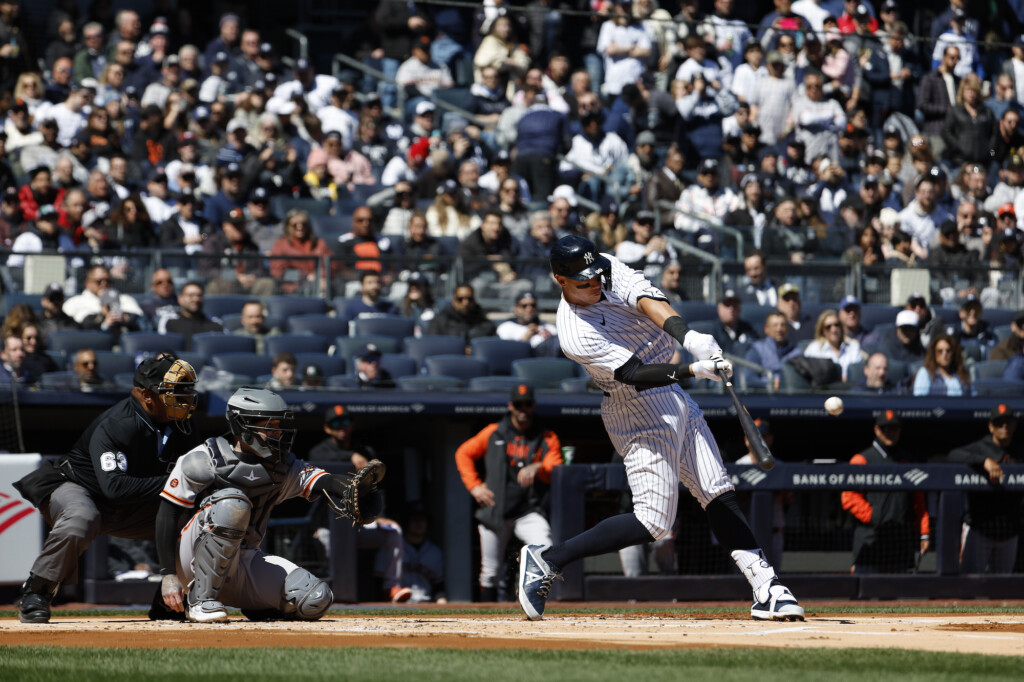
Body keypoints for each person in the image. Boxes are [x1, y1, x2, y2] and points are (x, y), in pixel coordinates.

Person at [517, 235, 803, 622]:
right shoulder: (573, 333)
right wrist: (691, 369)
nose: (597, 282)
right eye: (585, 280)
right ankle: (548, 558)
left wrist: (690, 338)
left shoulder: (605, 267)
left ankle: (766, 586)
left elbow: (646, 300)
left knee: (717, 490)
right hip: (634, 407)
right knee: (653, 521)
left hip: (671, 393)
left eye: (597, 273)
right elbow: (634, 374)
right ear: (560, 280)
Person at [154, 388, 385, 621]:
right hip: (191, 561)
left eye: (279, 427)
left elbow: (322, 480)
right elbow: (167, 513)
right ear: (244, 426)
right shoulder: (203, 458)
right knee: (232, 503)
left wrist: (350, 488)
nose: (278, 434)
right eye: (270, 427)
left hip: (245, 561)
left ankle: (257, 606)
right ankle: (200, 600)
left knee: (315, 598)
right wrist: (168, 575)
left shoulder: (282, 465)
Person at [12, 353, 200, 623]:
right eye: (174, 391)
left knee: (197, 523)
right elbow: (115, 488)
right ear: (146, 395)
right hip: (78, 487)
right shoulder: (117, 424)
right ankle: (37, 592)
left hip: (131, 505)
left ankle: (170, 602)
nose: (184, 398)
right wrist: (175, 483)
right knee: (83, 517)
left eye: (186, 390)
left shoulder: (183, 425)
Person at [456, 384, 563, 602]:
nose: (523, 408)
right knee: (490, 572)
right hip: (495, 510)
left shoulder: (546, 436)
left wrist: (538, 466)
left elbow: (556, 467)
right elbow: (463, 453)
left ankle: (535, 600)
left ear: (533, 406)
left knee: (544, 548)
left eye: (527, 404)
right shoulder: (494, 431)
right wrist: (474, 486)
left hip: (528, 510)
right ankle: (488, 624)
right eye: (518, 404)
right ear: (510, 406)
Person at [306, 404, 410, 602]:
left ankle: (391, 587)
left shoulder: (365, 450)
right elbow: (316, 461)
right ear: (327, 429)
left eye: (345, 421)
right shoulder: (319, 450)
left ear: (352, 425)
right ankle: (331, 592)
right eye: (335, 423)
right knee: (326, 541)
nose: (341, 426)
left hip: (358, 522)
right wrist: (350, 457)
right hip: (329, 525)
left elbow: (377, 488)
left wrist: (379, 516)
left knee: (393, 532)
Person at [841, 411, 930, 573]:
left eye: (894, 428)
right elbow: (849, 497)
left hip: (899, 540)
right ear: (876, 430)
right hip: (870, 540)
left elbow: (919, 502)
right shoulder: (862, 459)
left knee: (892, 595)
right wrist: (874, 516)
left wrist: (924, 532)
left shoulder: (907, 460)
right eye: (885, 429)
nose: (890, 433)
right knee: (863, 595)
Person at [947, 404, 1021, 574]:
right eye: (999, 423)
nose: (1004, 427)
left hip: (1010, 531)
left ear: (1014, 425)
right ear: (990, 426)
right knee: (970, 585)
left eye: (1008, 422)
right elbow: (952, 456)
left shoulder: (1018, 450)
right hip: (981, 530)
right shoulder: (981, 447)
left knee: (1002, 590)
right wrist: (983, 461)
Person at [398, 501, 446, 603]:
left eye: (423, 520)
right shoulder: (394, 549)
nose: (419, 524)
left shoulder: (435, 552)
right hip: (398, 603)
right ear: (406, 523)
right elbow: (380, 583)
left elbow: (439, 587)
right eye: (415, 520)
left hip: (426, 604)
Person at [426, 284, 497, 352]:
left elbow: (492, 346)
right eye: (460, 299)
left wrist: (475, 350)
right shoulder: (440, 321)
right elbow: (432, 345)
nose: (465, 302)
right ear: (454, 300)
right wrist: (460, 350)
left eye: (469, 299)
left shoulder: (484, 322)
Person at [745, 310, 803, 390]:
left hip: (792, 397)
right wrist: (771, 384)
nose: (779, 329)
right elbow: (750, 379)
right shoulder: (757, 349)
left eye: (783, 325)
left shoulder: (797, 353)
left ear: (788, 328)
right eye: (775, 325)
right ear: (766, 329)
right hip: (764, 397)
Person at [802, 309, 866, 382]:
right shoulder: (814, 349)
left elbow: (857, 374)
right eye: (828, 327)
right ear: (822, 330)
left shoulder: (853, 347)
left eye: (837, 325)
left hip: (850, 390)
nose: (833, 330)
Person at [159, 281, 224, 351]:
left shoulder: (215, 323)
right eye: (191, 295)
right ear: (180, 299)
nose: (196, 299)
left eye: (199, 295)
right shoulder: (169, 321)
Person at [496, 291, 558, 355]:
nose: (529, 309)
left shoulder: (549, 327)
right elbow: (506, 353)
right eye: (524, 306)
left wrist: (548, 337)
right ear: (516, 308)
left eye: (533, 305)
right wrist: (525, 339)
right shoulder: (506, 328)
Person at [712, 288, 759, 355]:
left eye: (734, 305)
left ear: (740, 309)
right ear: (719, 309)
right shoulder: (711, 331)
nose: (731, 309)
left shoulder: (748, 329)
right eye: (727, 305)